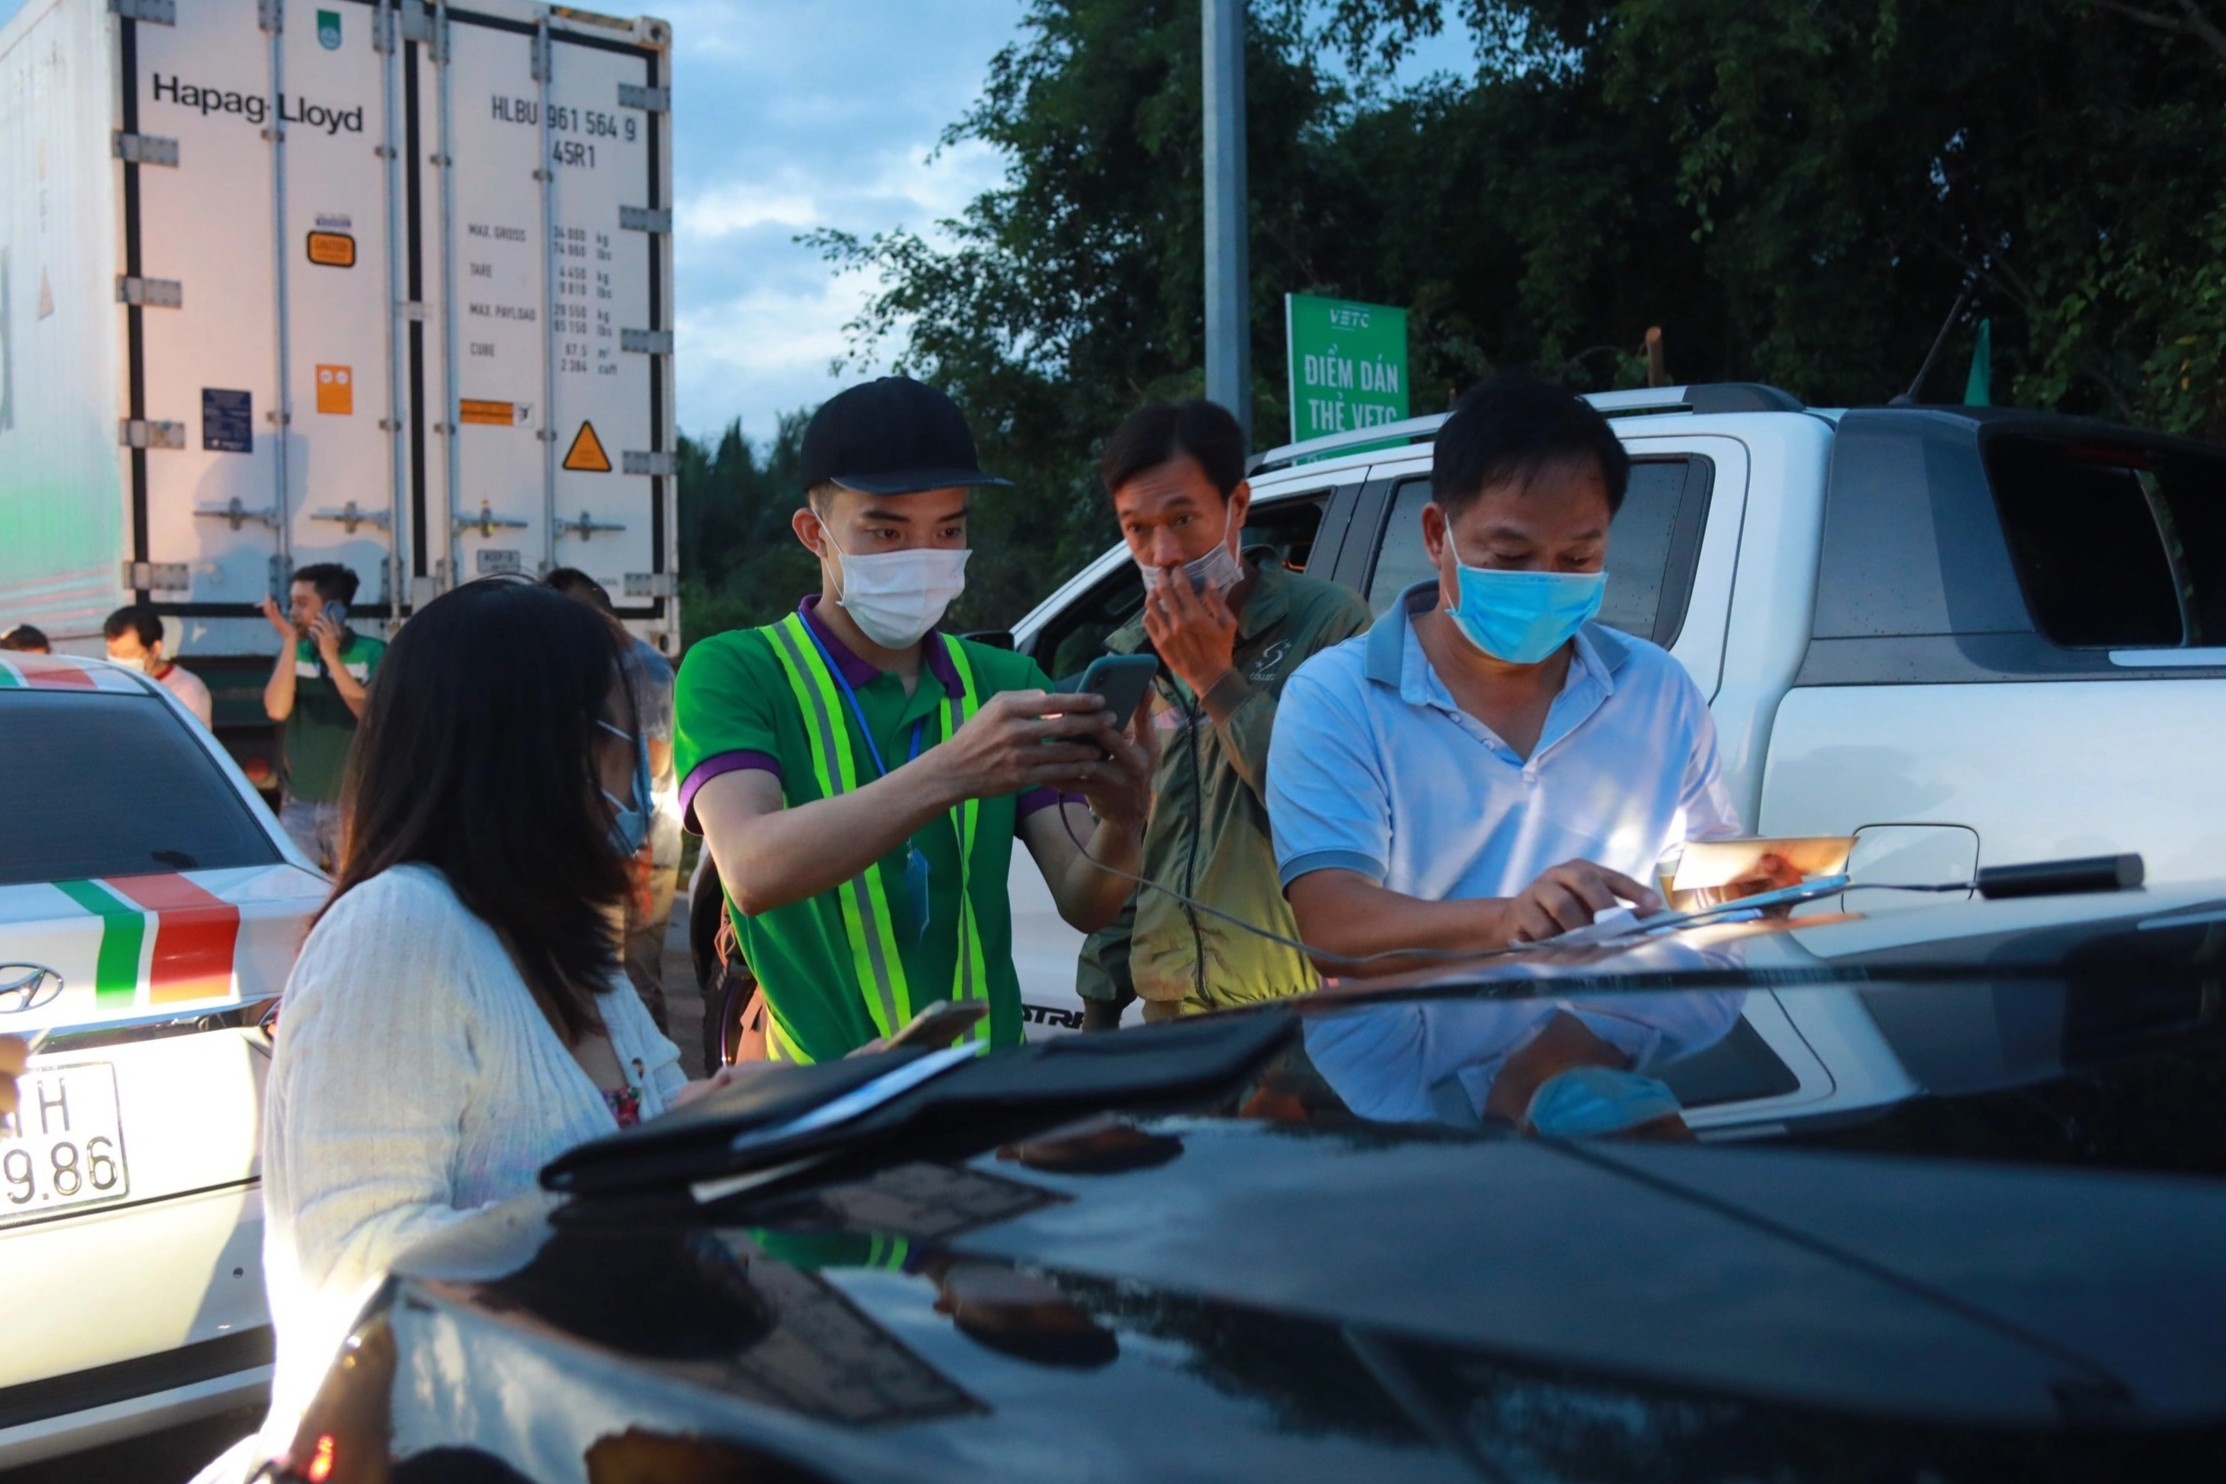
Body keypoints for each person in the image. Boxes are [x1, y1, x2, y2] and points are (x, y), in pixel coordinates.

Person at [213, 578, 753, 1484]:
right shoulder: (398, 931)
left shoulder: (559, 938)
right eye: (622, 750)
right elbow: (356, 1272)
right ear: (529, 753)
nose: (641, 786)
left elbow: (637, 1124)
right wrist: (617, 1218)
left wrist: (768, 1110)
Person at [676, 376, 1155, 1065]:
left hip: (982, 1108)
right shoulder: (737, 671)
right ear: (816, 534)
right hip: (820, 1108)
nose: (923, 555)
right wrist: (954, 771)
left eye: (949, 529)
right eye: (886, 530)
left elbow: (1087, 901)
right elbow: (751, 869)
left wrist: (1122, 820)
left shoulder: (1006, 681)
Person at [1267, 371, 1744, 973]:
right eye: (1511, 557)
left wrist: (1770, 893)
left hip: (1611, 1052)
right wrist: (1509, 919)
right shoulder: (1337, 697)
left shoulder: (1657, 689)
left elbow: (1704, 882)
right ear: (1438, 535)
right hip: (1428, 1055)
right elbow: (1336, 926)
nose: (1545, 580)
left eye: (1578, 558)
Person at [1075, 401, 1372, 1028]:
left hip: (1296, 1011)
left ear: (1237, 505)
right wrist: (1100, 1006)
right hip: (1170, 1014)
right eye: (1138, 528)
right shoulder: (1133, 653)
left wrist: (1213, 677)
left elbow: (1330, 800)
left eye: (1183, 518)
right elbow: (1136, 838)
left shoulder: (1328, 625)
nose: (1165, 553)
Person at [545, 568, 681, 1033]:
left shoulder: (641, 669)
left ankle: (656, 1098)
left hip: (643, 846)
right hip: (611, 841)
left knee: (634, 981)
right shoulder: (600, 665)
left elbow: (658, 761)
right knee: (610, 979)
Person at [259, 563, 383, 871]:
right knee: (293, 889)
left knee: (352, 886)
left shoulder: (372, 652)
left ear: (333, 609)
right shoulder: (295, 652)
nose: (292, 612)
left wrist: (331, 656)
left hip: (351, 803)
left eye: (302, 603)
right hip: (298, 800)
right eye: (292, 602)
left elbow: (371, 715)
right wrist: (289, 642)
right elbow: (276, 709)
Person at [103, 604, 214, 727]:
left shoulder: (186, 690)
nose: (119, 660)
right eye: (113, 653)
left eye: (128, 654)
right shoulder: (105, 683)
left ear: (155, 649)